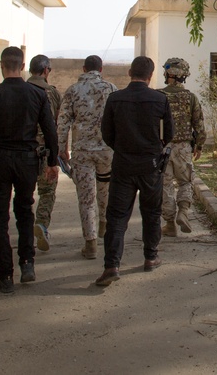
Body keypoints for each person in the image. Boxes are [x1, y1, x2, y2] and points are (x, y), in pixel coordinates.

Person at [0, 46, 58, 294]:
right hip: (27, 162)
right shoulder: (37, 94)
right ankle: (27, 264)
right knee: (25, 211)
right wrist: (53, 161)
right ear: (23, 65)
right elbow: (50, 131)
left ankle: (5, 274)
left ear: (2, 65)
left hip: (0, 161)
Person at [95, 56, 173, 286]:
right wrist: (154, 148)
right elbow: (169, 133)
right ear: (150, 76)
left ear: (130, 72)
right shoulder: (159, 99)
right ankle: (151, 257)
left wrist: (122, 148)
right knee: (151, 212)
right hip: (150, 165)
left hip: (123, 165)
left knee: (117, 216)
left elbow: (106, 133)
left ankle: (112, 265)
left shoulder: (115, 99)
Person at [56, 55, 117, 259]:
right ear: (101, 69)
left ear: (83, 69)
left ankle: (90, 243)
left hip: (82, 152)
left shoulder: (73, 90)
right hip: (107, 150)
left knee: (86, 196)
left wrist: (61, 149)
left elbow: (63, 122)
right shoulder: (111, 89)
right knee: (105, 189)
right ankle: (104, 224)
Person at [158, 57, 206, 237]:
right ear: (184, 75)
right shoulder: (191, 98)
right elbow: (199, 125)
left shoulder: (158, 96)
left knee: (165, 185)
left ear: (167, 74)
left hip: (162, 148)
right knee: (185, 181)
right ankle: (183, 211)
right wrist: (199, 145)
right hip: (184, 147)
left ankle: (170, 224)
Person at [27, 54, 61, 252]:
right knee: (47, 192)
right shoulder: (52, 93)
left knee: (25, 193)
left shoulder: (21, 90)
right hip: (45, 151)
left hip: (24, 151)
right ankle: (41, 224)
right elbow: (57, 122)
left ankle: (25, 226)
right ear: (46, 70)